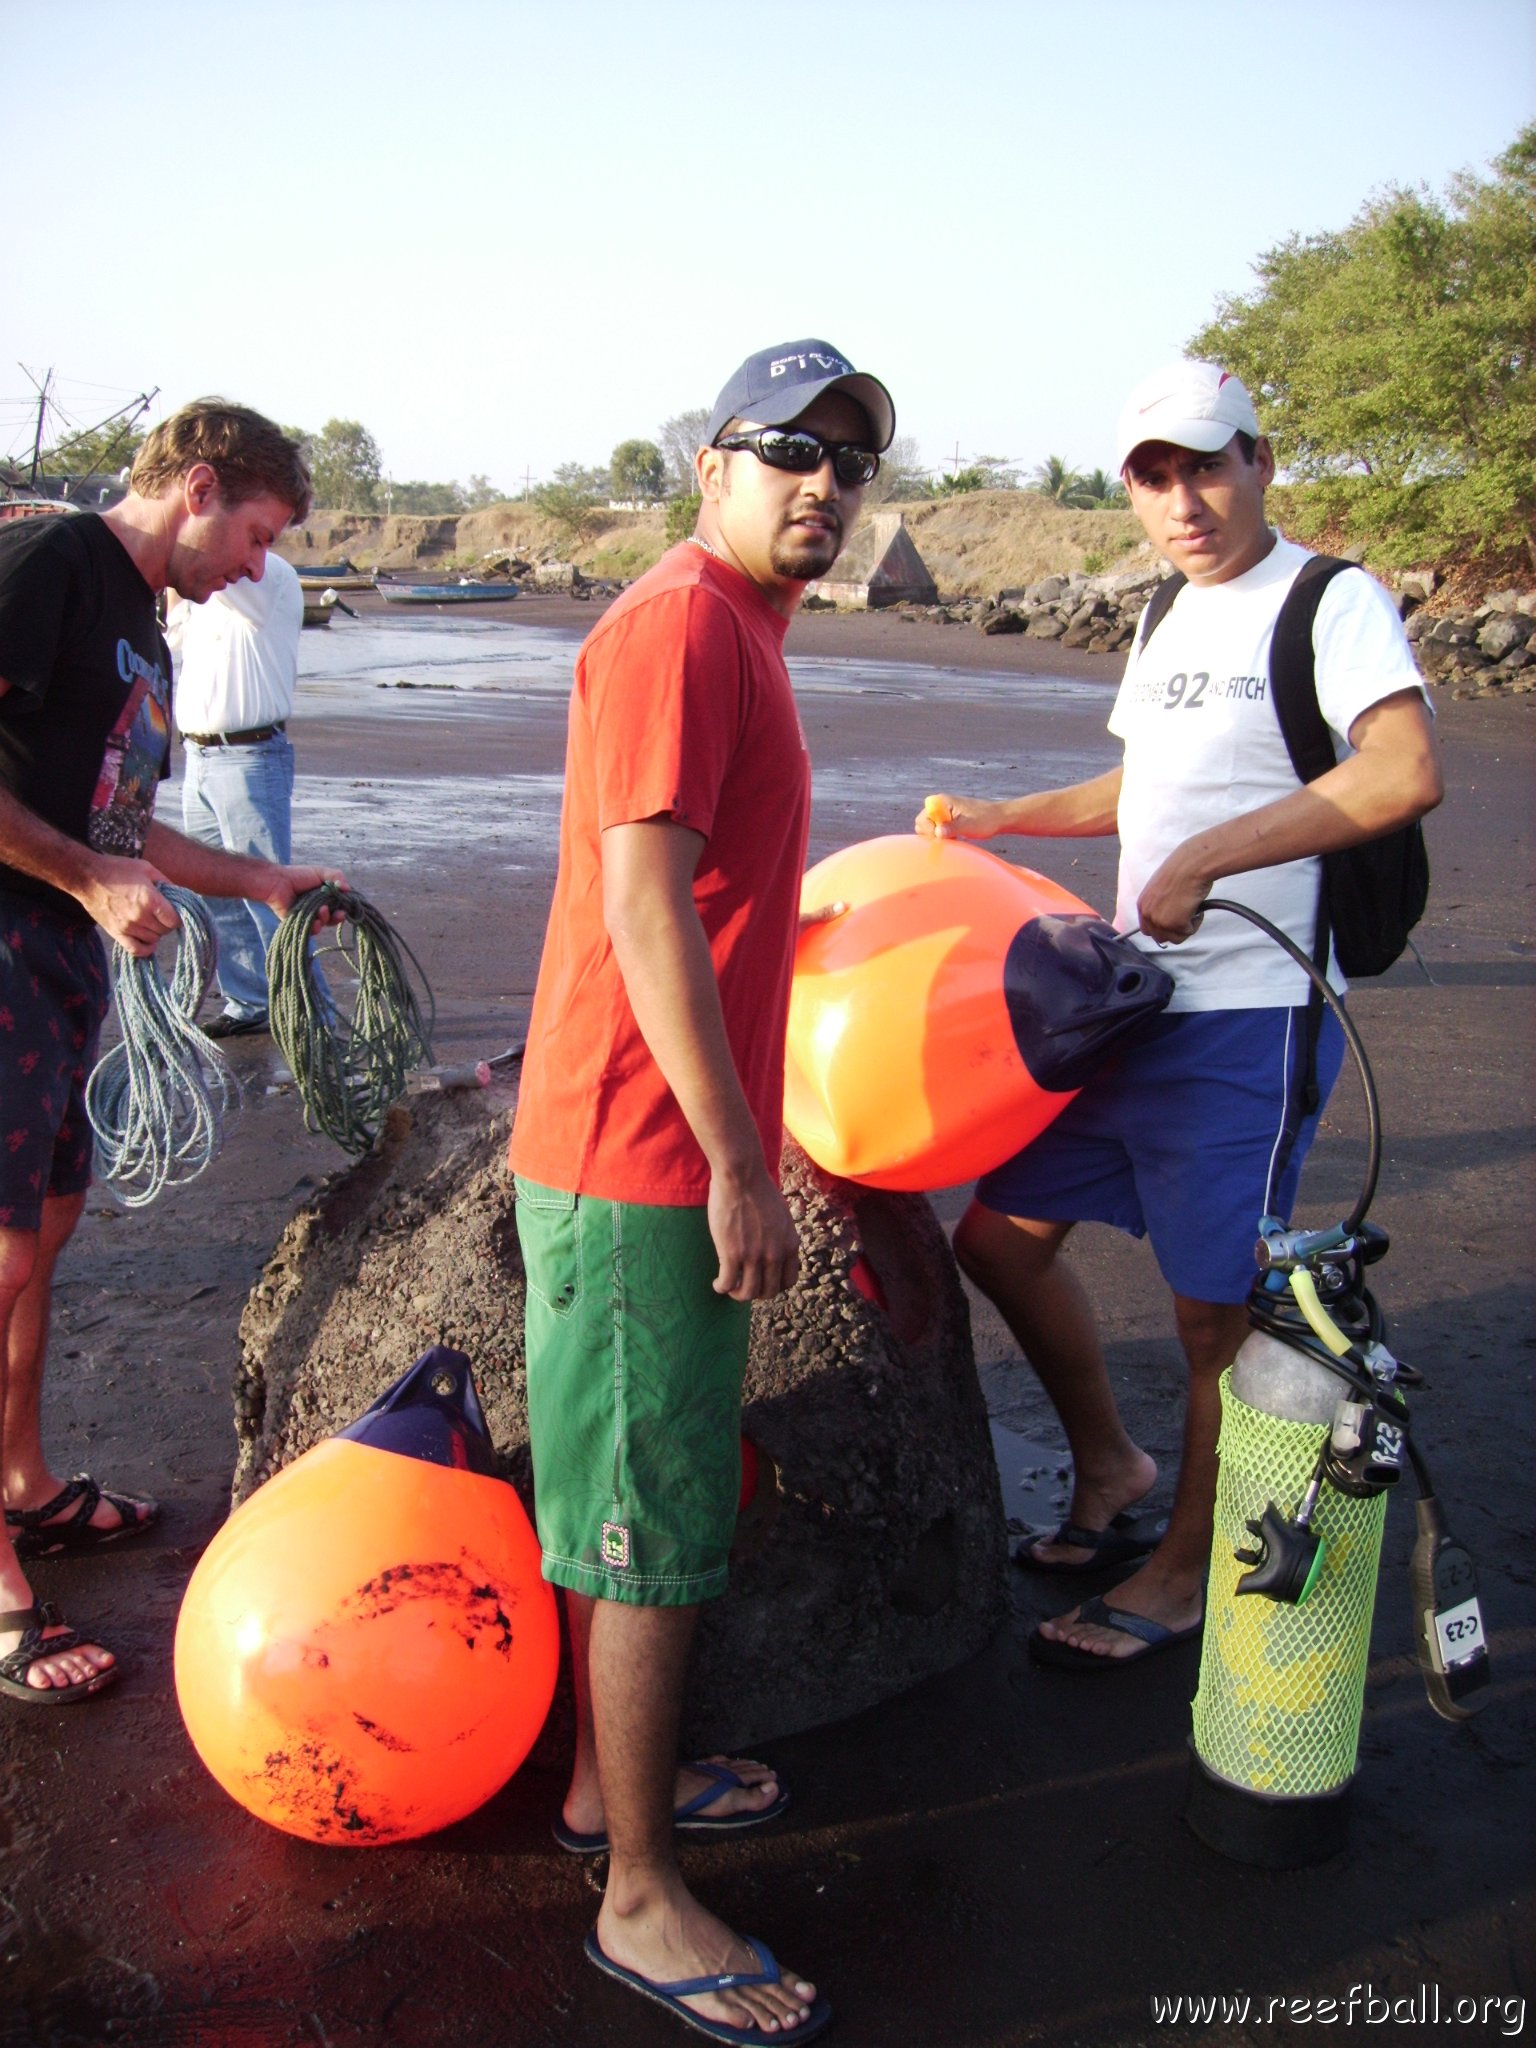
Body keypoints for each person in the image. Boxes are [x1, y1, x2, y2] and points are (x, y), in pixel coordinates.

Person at [917, 359, 1442, 1672]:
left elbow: (1402, 770)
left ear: (1262, 461)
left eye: (1205, 466)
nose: (1183, 500)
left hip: (1252, 1021)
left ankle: (1188, 1570)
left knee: (1217, 1312)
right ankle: (1111, 1465)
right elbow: (1149, 782)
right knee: (998, 1236)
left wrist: (1209, 859)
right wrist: (1006, 818)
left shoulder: (1330, 601)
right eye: (1154, 476)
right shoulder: (1166, 613)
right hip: (1136, 1012)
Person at [509, 338, 894, 2041]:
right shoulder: (679, 619)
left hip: (646, 1144)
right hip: (637, 1159)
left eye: (851, 463)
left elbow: (713, 891)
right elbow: (644, 902)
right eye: (787, 449)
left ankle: (612, 1790)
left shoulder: (738, 626)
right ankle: (641, 1893)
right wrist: (742, 1159)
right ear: (710, 466)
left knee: (630, 1489)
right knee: (651, 1514)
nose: (822, 485)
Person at [0, 399, 343, 1704]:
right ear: (200, 486)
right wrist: (87, 878)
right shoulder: (52, 566)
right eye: (255, 535)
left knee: (50, 1217)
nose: (259, 566)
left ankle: (23, 1483)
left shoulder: (146, 619)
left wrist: (263, 881)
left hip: (51, 953)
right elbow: (93, 849)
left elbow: (123, 823)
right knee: (4, 1248)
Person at [169, 549, 305, 1036]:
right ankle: (250, 1002)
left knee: (270, 891)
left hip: (250, 755)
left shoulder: (268, 574)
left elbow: (196, 566)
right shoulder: (205, 596)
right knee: (214, 891)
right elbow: (176, 624)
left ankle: (305, 1011)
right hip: (200, 757)